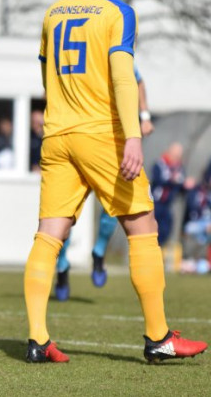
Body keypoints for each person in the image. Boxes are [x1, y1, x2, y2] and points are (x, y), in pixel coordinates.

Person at [24, 0, 206, 363]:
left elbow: (46, 75)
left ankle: (37, 338)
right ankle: (159, 338)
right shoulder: (117, 12)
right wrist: (132, 136)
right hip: (99, 135)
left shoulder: (53, 12)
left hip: (57, 136)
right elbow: (124, 80)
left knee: (49, 236)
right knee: (143, 228)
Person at [54, 65, 155, 300]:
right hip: (73, 143)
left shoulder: (112, 51)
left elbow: (137, 80)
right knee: (62, 214)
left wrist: (145, 116)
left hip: (109, 145)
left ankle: (99, 252)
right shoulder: (71, 56)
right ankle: (62, 265)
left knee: (116, 206)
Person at [151, 142, 194, 247]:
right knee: (151, 229)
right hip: (155, 203)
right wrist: (174, 180)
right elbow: (158, 180)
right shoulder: (160, 164)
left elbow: (180, 186)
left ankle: (158, 252)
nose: (177, 157)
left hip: (167, 205)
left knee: (165, 230)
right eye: (175, 154)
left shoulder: (179, 168)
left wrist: (186, 186)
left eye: (179, 155)